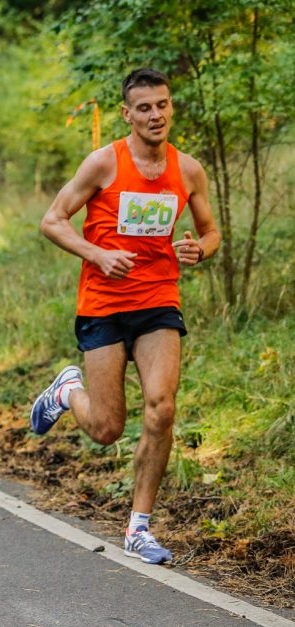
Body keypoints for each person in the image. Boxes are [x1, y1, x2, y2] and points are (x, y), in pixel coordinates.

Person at [32, 68, 221, 565]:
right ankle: (66, 391)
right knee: (106, 429)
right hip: (104, 304)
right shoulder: (104, 163)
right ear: (127, 113)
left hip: (159, 299)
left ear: (170, 107)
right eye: (144, 107)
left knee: (162, 407)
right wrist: (96, 255)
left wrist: (199, 249)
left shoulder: (188, 170)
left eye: (162, 105)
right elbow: (52, 221)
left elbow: (210, 233)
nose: (155, 115)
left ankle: (139, 528)